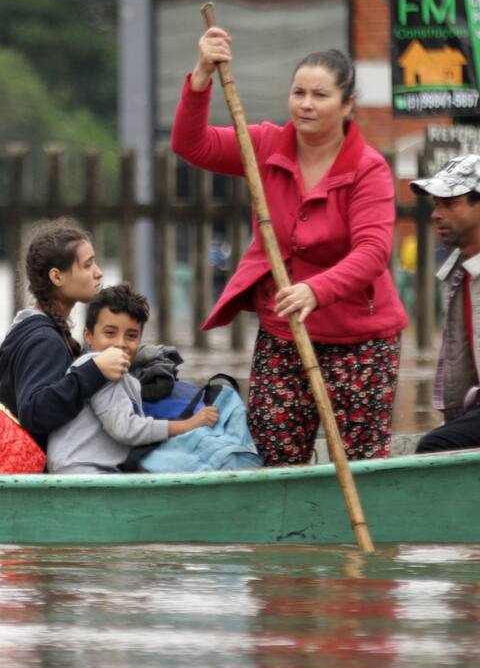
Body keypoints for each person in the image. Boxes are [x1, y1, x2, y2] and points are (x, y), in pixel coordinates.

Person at [173, 28, 407, 465]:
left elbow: (373, 252)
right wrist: (202, 74)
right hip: (284, 333)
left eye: (320, 95)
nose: (305, 104)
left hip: (361, 340)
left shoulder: (367, 169)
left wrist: (316, 290)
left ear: (347, 104)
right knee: (275, 455)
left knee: (361, 462)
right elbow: (192, 144)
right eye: (298, 92)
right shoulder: (263, 144)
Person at [47, 283, 218, 473]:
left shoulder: (104, 369)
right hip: (82, 471)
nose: (120, 344)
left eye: (131, 336)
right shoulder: (101, 367)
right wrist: (187, 425)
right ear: (88, 335)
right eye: (110, 333)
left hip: (79, 467)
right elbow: (126, 429)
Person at [0, 219, 128, 451]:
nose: (99, 273)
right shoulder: (44, 340)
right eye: (88, 265)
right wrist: (94, 370)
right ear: (57, 277)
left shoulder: (38, 328)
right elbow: (34, 413)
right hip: (32, 471)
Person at [411, 156, 480, 453]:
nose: (437, 214)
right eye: (437, 204)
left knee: (435, 447)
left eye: (450, 204)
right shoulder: (459, 271)